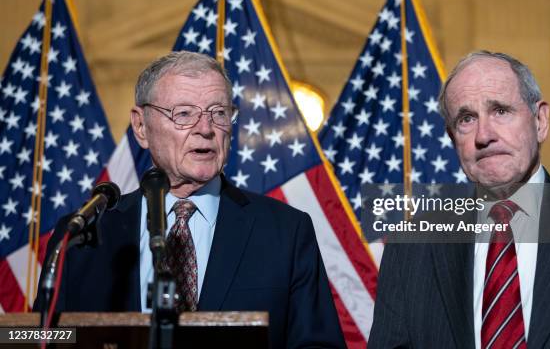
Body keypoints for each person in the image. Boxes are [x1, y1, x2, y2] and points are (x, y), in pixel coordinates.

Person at [36, 51, 346, 349]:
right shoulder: (82, 235)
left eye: (219, 113)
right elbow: (33, 338)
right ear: (141, 126)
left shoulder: (285, 232)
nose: (206, 129)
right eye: (184, 113)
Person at [368, 51, 550, 348]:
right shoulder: (412, 248)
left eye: (500, 111)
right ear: (452, 138)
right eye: (467, 119)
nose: (484, 135)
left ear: (540, 121)